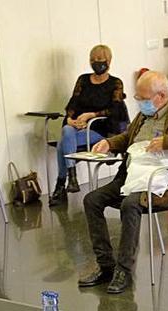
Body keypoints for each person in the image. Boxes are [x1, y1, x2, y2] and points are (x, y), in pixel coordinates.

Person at [78, 71, 168, 294]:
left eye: (143, 98)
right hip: (130, 176)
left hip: (161, 183)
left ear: (161, 96)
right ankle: (106, 266)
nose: (139, 103)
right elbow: (129, 138)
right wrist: (108, 144)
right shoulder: (143, 116)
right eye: (137, 98)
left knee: (131, 204)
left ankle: (124, 270)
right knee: (92, 200)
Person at [48, 44, 128, 207]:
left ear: (109, 61)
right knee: (66, 129)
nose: (96, 63)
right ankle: (72, 176)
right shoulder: (83, 80)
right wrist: (70, 119)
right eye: (93, 60)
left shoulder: (115, 83)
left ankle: (62, 184)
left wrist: (91, 115)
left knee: (62, 144)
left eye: (100, 59)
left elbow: (115, 110)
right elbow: (73, 104)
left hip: (100, 129)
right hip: (78, 128)